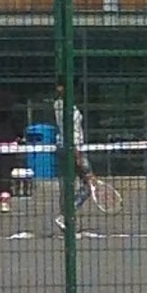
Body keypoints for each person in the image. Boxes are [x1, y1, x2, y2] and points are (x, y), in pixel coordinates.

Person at [53, 78, 98, 209]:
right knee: (89, 183)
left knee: (67, 184)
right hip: (72, 148)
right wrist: (78, 156)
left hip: (66, 146)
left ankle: (66, 213)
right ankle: (69, 211)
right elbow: (71, 132)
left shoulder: (61, 104)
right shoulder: (64, 107)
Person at [0, 88, 25, 214]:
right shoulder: (12, 114)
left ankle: (0, 197)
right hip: (10, 144)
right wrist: (19, 136)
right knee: (5, 172)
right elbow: (19, 128)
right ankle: (4, 199)